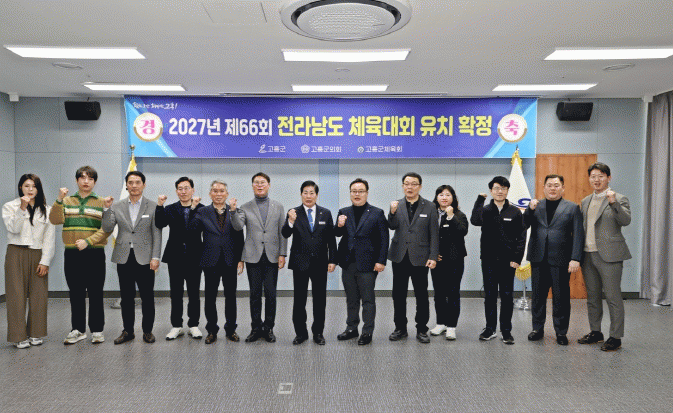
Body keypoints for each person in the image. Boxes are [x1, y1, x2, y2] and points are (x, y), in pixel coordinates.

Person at [49, 166, 111, 345]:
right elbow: (54, 220)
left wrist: (88, 242)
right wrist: (59, 199)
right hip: (72, 253)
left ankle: (97, 330)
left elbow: (107, 229)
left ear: (95, 182)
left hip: (95, 253)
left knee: (96, 292)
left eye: (90, 178)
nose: (86, 181)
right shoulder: (66, 200)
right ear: (77, 180)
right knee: (75, 293)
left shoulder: (102, 202)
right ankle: (78, 329)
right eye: (82, 178)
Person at [102, 171, 162, 345]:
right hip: (124, 257)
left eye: (137, 182)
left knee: (147, 297)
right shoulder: (117, 206)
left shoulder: (153, 206)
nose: (134, 185)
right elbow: (107, 228)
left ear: (144, 185)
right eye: (130, 182)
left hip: (146, 258)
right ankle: (128, 331)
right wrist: (106, 209)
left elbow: (157, 234)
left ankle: (147, 331)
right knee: (126, 297)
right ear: (126, 185)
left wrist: (155, 256)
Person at [524, 174, 584, 345]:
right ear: (544, 188)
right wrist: (529, 210)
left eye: (556, 185)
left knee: (561, 298)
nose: (552, 188)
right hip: (538, 258)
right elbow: (524, 225)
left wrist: (575, 258)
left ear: (562, 188)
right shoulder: (536, 205)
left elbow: (578, 234)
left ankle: (561, 332)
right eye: (549, 185)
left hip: (561, 259)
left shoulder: (572, 208)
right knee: (537, 297)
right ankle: (537, 329)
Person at [578, 162, 631, 351]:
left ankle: (616, 337)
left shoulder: (619, 198)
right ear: (589, 179)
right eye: (593, 176)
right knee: (592, 297)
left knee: (612, 297)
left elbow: (625, 220)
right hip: (587, 254)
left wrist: (613, 203)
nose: (596, 179)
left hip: (610, 255)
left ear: (608, 178)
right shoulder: (585, 201)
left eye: (601, 176)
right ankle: (596, 332)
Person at [231, 172, 287, 343]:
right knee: (254, 294)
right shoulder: (245, 207)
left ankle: (268, 328)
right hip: (252, 256)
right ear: (252, 186)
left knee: (270, 294)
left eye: (263, 182)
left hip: (272, 256)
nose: (260, 185)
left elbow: (282, 232)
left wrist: (282, 253)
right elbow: (237, 226)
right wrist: (233, 211)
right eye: (256, 182)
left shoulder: (278, 206)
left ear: (268, 185)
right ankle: (256, 328)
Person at [281, 180, 337, 345]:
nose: (308, 196)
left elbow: (331, 239)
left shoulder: (325, 213)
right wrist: (290, 221)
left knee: (320, 300)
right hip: (300, 263)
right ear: (301, 195)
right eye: (305, 192)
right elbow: (285, 233)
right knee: (299, 300)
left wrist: (333, 259)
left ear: (316, 195)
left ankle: (318, 333)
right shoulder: (294, 212)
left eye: (311, 193)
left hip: (320, 263)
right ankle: (300, 333)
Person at [470, 176, 525, 344]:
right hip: (489, 260)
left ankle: (506, 331)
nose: (499, 191)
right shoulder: (485, 210)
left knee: (507, 296)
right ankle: (490, 328)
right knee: (490, 295)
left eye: (503, 188)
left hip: (508, 262)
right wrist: (479, 201)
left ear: (507, 191)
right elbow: (475, 220)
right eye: (496, 188)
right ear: (491, 191)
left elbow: (521, 236)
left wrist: (517, 258)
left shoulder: (515, 212)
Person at [334, 178, 389, 346]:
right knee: (351, 299)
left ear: (366, 193)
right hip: (348, 262)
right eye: (354, 191)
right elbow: (337, 234)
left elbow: (384, 239)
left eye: (360, 191)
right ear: (350, 193)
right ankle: (352, 328)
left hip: (368, 263)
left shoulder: (377, 213)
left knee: (367, 299)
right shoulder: (344, 212)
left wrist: (381, 261)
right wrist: (339, 225)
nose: (357, 194)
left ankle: (367, 331)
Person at [3, 174, 55, 349]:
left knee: (39, 295)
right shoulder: (10, 206)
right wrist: (22, 208)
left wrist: (45, 261)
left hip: (37, 253)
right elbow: (13, 228)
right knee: (16, 295)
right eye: (26, 186)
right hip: (16, 252)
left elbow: (49, 239)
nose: (30, 189)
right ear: (20, 188)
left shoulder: (47, 210)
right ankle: (18, 336)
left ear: (38, 189)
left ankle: (36, 333)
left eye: (34, 186)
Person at [190, 180, 244, 344]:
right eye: (215, 191)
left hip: (230, 261)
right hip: (210, 261)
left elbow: (239, 236)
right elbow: (192, 230)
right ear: (210, 194)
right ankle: (212, 330)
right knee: (210, 298)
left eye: (221, 191)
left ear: (227, 194)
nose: (218, 194)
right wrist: (193, 209)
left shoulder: (234, 211)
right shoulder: (202, 211)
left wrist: (240, 259)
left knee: (231, 297)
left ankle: (231, 329)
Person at [387, 173, 438, 344]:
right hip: (399, 256)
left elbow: (434, 234)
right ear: (403, 186)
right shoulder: (396, 204)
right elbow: (392, 225)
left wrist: (433, 256)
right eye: (407, 183)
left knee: (421, 295)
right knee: (398, 295)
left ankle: (422, 328)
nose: (410, 187)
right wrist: (392, 213)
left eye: (414, 184)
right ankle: (400, 328)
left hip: (421, 257)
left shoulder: (430, 206)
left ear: (420, 186)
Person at [155, 177, 205, 341]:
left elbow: (196, 228)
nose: (183, 191)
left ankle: (193, 325)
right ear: (176, 191)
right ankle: (176, 326)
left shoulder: (201, 209)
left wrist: (193, 208)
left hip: (195, 256)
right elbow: (159, 223)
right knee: (175, 293)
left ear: (193, 190)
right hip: (175, 256)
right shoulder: (170, 208)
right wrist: (159, 205)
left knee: (194, 293)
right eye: (180, 189)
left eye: (186, 188)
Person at [429, 185, 468, 341]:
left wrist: (451, 216)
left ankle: (451, 326)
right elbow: (427, 236)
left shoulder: (459, 215)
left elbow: (462, 232)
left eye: (447, 195)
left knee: (452, 293)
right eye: (441, 194)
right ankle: (441, 323)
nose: (444, 197)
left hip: (454, 260)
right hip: (436, 261)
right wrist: (433, 254)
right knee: (439, 293)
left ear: (453, 198)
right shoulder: (432, 214)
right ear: (436, 197)